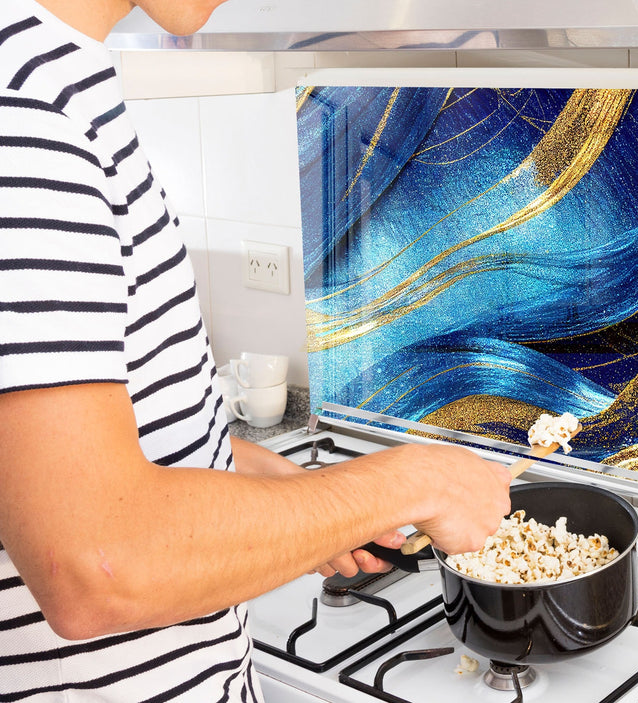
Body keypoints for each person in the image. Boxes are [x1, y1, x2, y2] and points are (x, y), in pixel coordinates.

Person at [0, 0, 513, 700]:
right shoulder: (24, 117)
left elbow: (76, 454)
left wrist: (299, 498)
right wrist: (415, 480)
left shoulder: (54, 80)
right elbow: (96, 563)